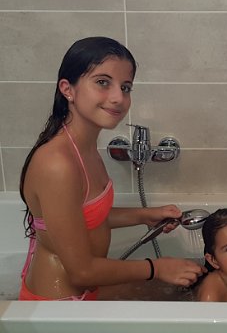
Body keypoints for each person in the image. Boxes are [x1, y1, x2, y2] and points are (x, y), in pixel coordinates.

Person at [19, 36, 206, 301]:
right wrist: (156, 268)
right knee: (176, 292)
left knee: (186, 291)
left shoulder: (83, 147)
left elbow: (84, 219)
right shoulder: (57, 164)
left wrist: (145, 215)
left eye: (125, 87)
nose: (118, 98)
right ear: (68, 89)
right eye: (102, 82)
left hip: (87, 289)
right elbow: (81, 272)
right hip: (60, 303)